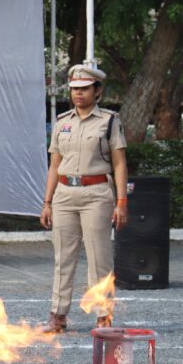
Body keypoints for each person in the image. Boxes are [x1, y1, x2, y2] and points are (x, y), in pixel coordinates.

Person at [39, 65, 128, 333]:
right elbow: (55, 165)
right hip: (64, 194)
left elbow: (120, 164)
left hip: (96, 193)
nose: (78, 93)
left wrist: (121, 202)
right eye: (74, 89)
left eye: (84, 89)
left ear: (97, 91)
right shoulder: (62, 121)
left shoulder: (109, 121)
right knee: (63, 257)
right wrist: (47, 202)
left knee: (99, 257)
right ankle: (58, 315)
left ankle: (103, 315)